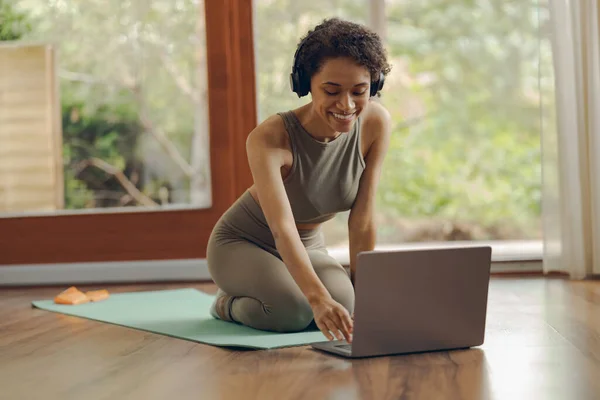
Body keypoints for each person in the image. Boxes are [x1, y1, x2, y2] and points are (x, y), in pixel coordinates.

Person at [207, 17, 392, 344]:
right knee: (292, 311)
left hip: (309, 245)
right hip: (242, 243)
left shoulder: (375, 123)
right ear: (306, 84)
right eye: (331, 91)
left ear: (373, 86)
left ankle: (287, 289)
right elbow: (282, 227)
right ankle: (226, 304)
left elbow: (362, 222)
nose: (346, 105)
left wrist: (370, 301)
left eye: (359, 91)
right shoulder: (270, 137)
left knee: (345, 306)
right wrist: (316, 298)